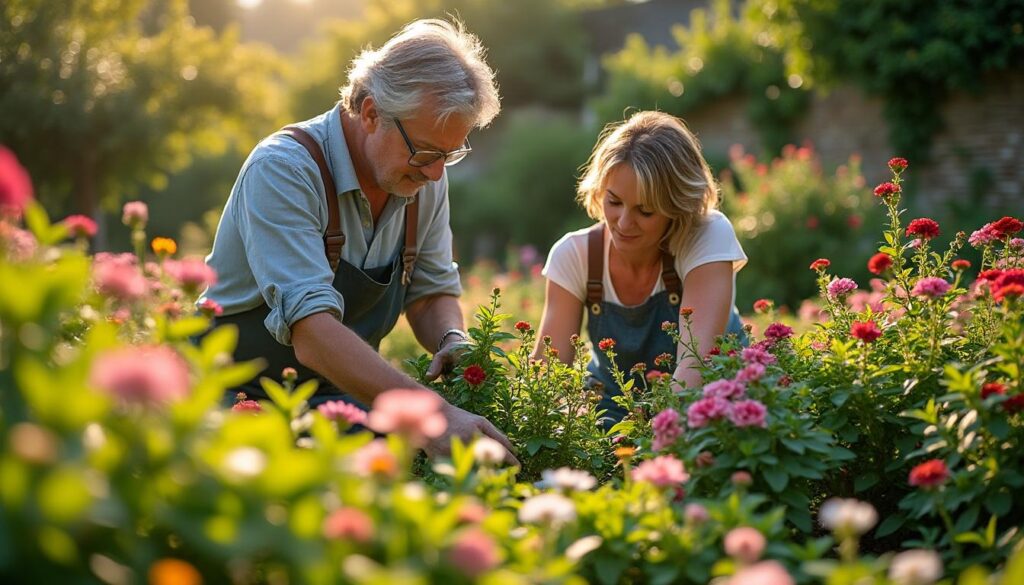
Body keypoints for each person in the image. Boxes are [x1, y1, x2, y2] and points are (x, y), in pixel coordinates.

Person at [199, 19, 515, 462]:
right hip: (240, 399)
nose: (436, 173)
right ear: (370, 113)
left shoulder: (422, 177)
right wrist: (435, 415)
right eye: (426, 152)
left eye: (450, 154)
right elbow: (311, 332)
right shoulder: (285, 170)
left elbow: (429, 292)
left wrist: (452, 338)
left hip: (344, 399)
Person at [534, 111, 747, 428]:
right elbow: (546, 381)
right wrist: (572, 430)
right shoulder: (575, 255)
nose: (623, 223)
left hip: (710, 403)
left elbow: (695, 367)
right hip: (611, 408)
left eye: (645, 210)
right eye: (614, 202)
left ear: (677, 206)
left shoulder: (707, 236)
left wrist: (652, 444)